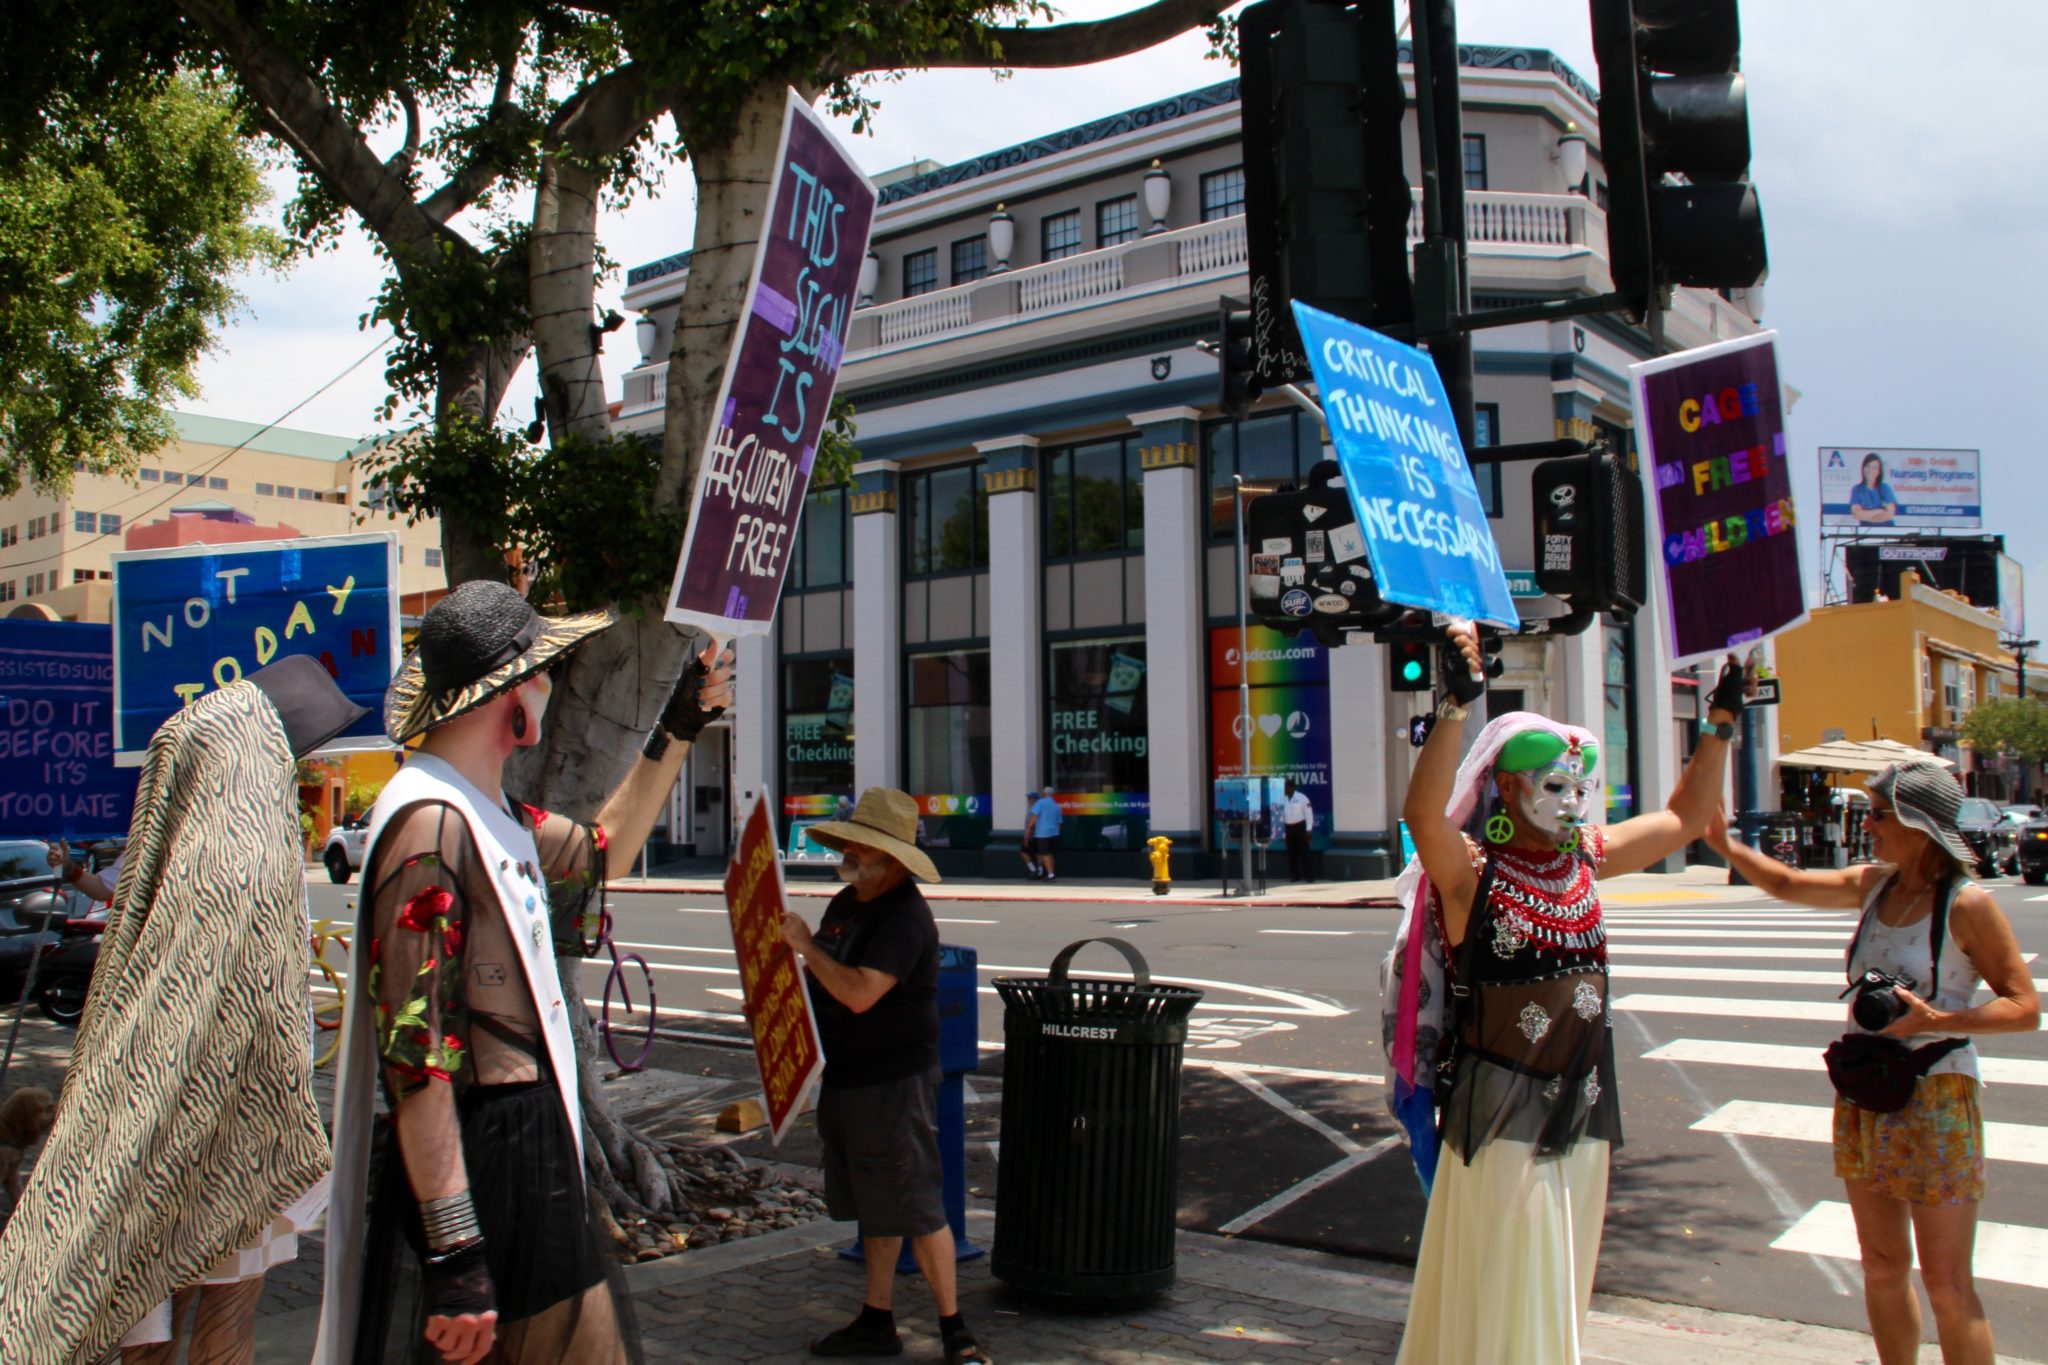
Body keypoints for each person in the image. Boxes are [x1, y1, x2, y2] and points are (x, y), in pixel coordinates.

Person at [314, 580, 732, 1365]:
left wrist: (680, 723)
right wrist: (455, 1252)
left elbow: (604, 850)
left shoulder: (490, 811)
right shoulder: (429, 824)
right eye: (540, 670)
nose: (549, 683)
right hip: (491, 1154)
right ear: (504, 694)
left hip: (527, 1142)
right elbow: (417, 1062)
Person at [1383, 624, 1748, 1364]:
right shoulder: (1471, 873)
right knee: (1510, 1288)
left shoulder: (1583, 859)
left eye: (1581, 788)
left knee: (1556, 1290)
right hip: (1502, 1116)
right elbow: (1424, 817)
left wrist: (1718, 726)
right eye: (1555, 787)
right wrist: (1455, 706)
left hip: (1581, 1108)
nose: (1574, 803)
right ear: (1508, 789)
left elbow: (1682, 818)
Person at [0, 654, 366, 1364]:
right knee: (196, 1320)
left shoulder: (208, 824)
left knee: (154, 1323)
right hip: (219, 1126)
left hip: (179, 1124)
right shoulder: (246, 851)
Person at [1707, 762, 2038, 1365]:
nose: (1871, 825)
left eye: (1880, 814)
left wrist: (1939, 1021)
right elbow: (1786, 884)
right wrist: (1724, 845)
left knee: (1946, 1283)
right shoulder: (1876, 885)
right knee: (1883, 1267)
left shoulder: (1966, 905)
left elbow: (2024, 1007)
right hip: (1868, 1089)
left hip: (1937, 1095)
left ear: (1918, 825)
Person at [781, 787, 991, 1365]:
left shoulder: (904, 917)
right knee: (876, 1203)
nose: (848, 854)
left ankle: (956, 1331)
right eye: (848, 842)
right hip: (849, 1075)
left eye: (859, 847)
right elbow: (823, 980)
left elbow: (859, 993)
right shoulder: (849, 901)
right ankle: (877, 1318)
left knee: (917, 1204)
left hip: (893, 1081)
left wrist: (804, 948)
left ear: (890, 861)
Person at [1850, 452, 1899, 524]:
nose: (1870, 470)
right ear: (1863, 468)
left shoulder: (1885, 488)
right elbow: (1856, 515)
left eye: (1874, 468)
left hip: (1887, 531)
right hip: (1865, 532)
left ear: (1879, 471)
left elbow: (1890, 514)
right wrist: (1880, 511)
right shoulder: (1857, 489)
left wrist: (1866, 515)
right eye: (1867, 466)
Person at [1282, 778, 1315, 882]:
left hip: (1299, 827)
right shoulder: (1283, 799)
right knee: (1291, 853)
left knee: (1304, 852)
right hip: (1288, 827)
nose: (1284, 789)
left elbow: (1309, 814)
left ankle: (1309, 875)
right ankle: (1294, 875)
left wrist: (1309, 829)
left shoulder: (1302, 798)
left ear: (1291, 788)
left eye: (1286, 787)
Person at [1029, 786, 1063, 881]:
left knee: (1045, 854)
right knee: (1050, 854)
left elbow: (1034, 817)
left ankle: (1050, 874)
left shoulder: (1040, 803)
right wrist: (1057, 833)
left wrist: (1029, 828)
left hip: (1042, 833)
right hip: (1054, 833)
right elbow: (1059, 823)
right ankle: (1051, 872)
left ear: (1044, 794)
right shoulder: (1056, 806)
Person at [1017, 790, 1041, 879]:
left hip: (1032, 835)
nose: (1028, 800)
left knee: (1023, 851)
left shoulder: (1033, 810)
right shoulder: (1037, 808)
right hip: (1037, 835)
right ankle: (1039, 870)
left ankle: (1034, 870)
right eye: (1028, 798)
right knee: (1038, 853)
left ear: (1034, 799)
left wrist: (1027, 837)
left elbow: (1031, 824)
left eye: (1030, 798)